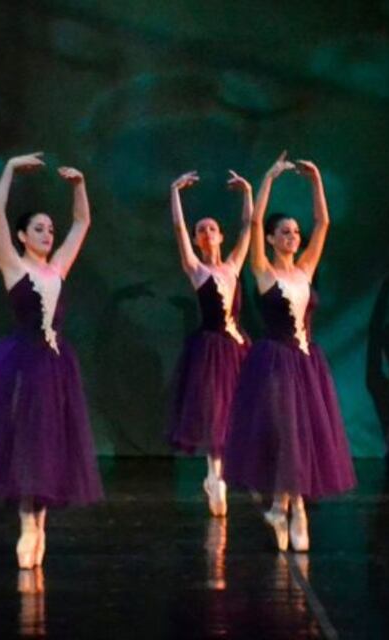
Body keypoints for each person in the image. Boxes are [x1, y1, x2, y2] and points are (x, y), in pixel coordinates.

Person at [0, 152, 103, 568]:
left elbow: (83, 223)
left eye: (49, 229)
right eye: (38, 228)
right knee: (29, 442)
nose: (47, 234)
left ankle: (41, 520)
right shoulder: (13, 266)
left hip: (56, 366)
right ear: (22, 236)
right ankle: (27, 523)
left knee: (52, 441)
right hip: (25, 362)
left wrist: (79, 185)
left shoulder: (57, 268)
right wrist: (9, 168)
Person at [224, 152, 356, 552]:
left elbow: (324, 223)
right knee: (285, 434)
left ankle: (288, 507)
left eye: (295, 233)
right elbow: (253, 221)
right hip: (275, 362)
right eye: (284, 232)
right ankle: (290, 507)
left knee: (301, 434)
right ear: (270, 238)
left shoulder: (304, 270)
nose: (292, 237)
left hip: (305, 363)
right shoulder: (263, 271)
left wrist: (315, 181)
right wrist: (266, 179)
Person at [167, 169, 253, 516]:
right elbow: (177, 230)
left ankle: (224, 472)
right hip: (210, 350)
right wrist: (174, 192)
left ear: (220, 236)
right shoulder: (196, 270)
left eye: (211, 229)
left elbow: (250, 227)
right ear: (198, 240)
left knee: (235, 410)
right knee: (214, 410)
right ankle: (215, 476)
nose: (205, 233)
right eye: (200, 230)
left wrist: (248, 192)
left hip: (237, 348)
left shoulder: (233, 265)